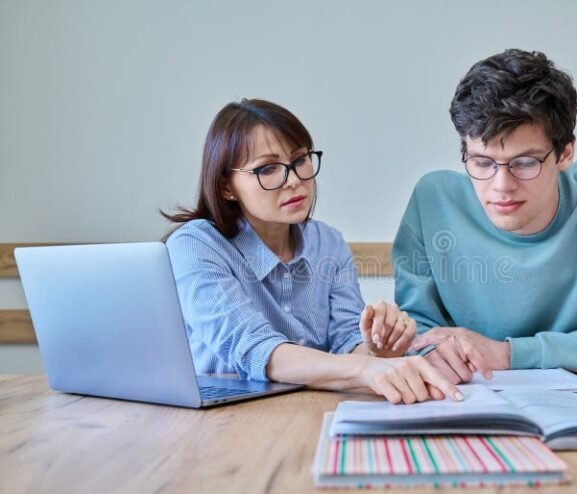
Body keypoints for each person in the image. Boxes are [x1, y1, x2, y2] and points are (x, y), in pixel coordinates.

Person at [394, 49, 577, 382]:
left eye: (525, 163)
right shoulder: (432, 201)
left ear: (565, 153)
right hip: (472, 397)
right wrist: (434, 352)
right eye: (482, 162)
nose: (501, 186)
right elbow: (419, 338)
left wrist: (508, 354)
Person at [163, 98, 466, 403]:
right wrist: (364, 369)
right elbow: (254, 349)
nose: (294, 181)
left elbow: (347, 340)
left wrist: (378, 348)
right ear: (226, 187)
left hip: (308, 407)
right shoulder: (195, 245)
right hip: (221, 415)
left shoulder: (329, 242)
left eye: (299, 160)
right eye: (267, 168)